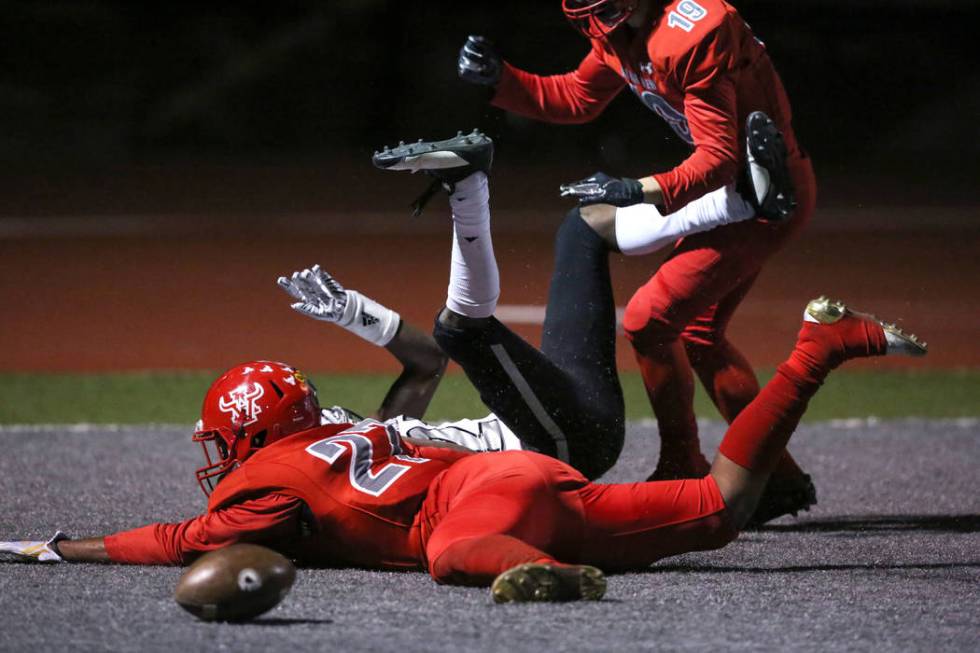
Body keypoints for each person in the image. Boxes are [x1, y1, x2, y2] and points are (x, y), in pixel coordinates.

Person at [0, 137, 926, 605]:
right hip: (521, 461)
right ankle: (806, 322)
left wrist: (59, 544)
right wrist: (353, 312)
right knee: (579, 236)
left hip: (518, 467)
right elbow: (417, 373)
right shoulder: (338, 434)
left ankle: (474, 190)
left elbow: (176, 538)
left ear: (247, 437)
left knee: (461, 396)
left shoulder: (270, 482)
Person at [458, 0, 819, 523]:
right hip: (733, 193)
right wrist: (503, 80)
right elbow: (577, 97)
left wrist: (637, 189)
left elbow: (718, 158)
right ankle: (777, 478)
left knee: (651, 319)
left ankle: (682, 465)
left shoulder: (693, 31)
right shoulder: (623, 30)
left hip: (764, 194)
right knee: (696, 333)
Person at [282, 126, 788, 486]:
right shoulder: (359, 471)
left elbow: (425, 366)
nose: (321, 408)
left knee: (585, 226)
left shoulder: (369, 439)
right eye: (308, 410)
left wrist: (355, 313)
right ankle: (467, 185)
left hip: (569, 416)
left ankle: (741, 199)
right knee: (459, 330)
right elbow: (457, 471)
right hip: (560, 450)